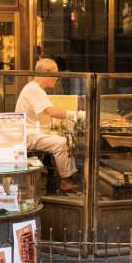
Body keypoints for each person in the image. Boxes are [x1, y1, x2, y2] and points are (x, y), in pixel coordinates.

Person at [15, 58, 84, 193]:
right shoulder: (33, 89)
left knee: (65, 138)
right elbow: (50, 111)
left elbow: (42, 114)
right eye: (55, 74)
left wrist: (56, 123)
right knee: (61, 143)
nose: (57, 78)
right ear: (45, 73)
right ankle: (65, 181)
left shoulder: (36, 89)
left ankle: (62, 178)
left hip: (35, 132)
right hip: (28, 135)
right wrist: (77, 115)